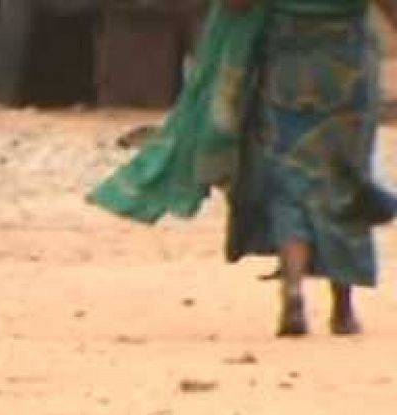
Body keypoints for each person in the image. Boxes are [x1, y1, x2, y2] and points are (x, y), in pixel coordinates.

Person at [90, 0, 397, 336]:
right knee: (344, 178)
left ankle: (292, 293)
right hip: (347, 68)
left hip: (288, 67)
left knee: (290, 179)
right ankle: (342, 308)